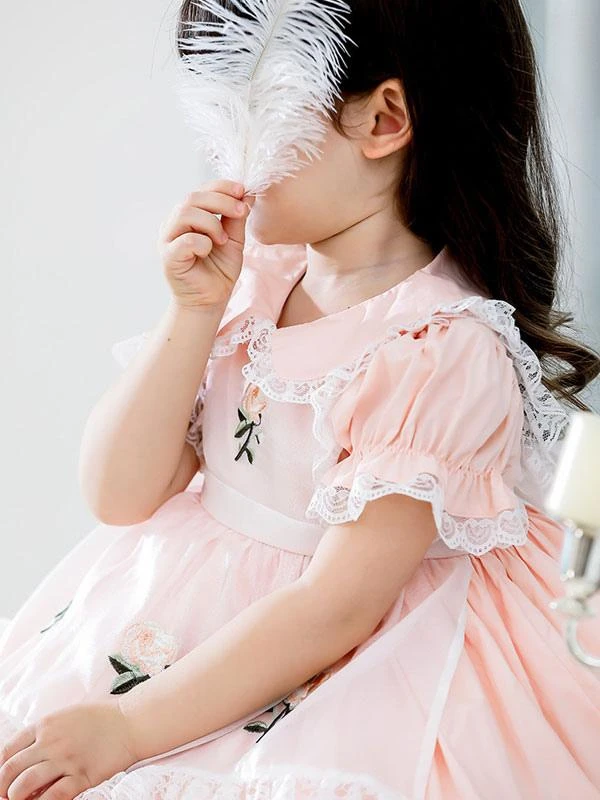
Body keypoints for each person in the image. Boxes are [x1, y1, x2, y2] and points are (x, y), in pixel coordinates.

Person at [1, 0, 600, 797]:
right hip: (189, 612)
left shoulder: (437, 349)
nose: (223, 153)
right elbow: (120, 493)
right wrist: (192, 313)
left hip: (350, 663)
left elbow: (337, 607)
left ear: (384, 120)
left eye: (252, 108)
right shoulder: (260, 277)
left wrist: (130, 728)